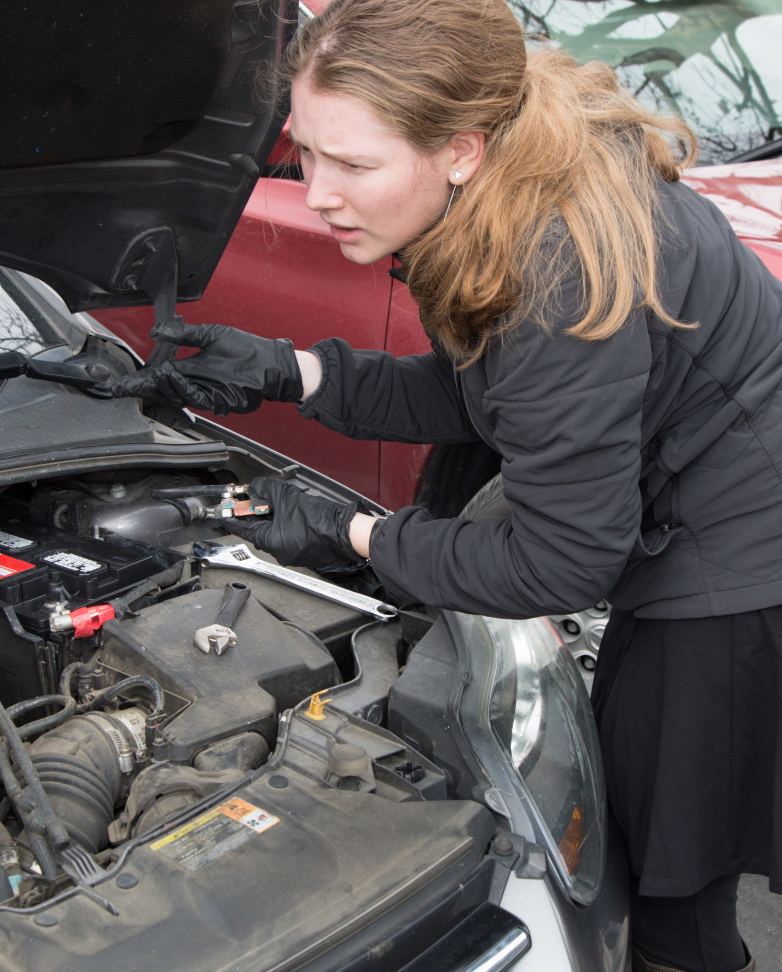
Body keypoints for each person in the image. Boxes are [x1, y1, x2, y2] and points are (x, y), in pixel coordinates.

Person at [109, 1, 782, 970]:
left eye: (355, 163)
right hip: (712, 511)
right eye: (307, 152)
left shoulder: (558, 273)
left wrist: (355, 535)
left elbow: (560, 557)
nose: (317, 191)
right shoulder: (512, 175)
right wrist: (288, 370)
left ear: (459, 149)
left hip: (742, 567)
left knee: (674, 884)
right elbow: (490, 394)